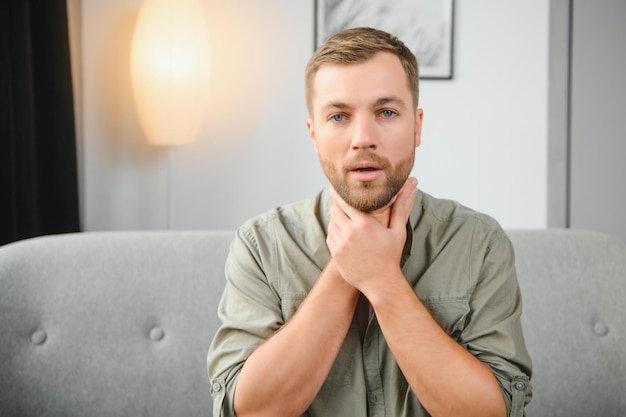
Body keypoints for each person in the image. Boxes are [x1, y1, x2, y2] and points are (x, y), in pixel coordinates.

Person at [207, 27, 532, 417]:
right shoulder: (261, 245)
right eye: (339, 116)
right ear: (314, 134)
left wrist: (381, 279)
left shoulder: (480, 243)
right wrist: (349, 265)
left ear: (417, 126)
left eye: (387, 112)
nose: (363, 138)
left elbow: (492, 412)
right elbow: (250, 411)